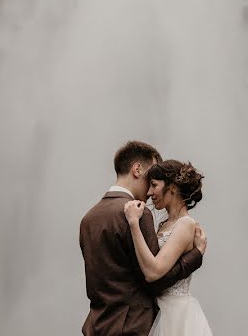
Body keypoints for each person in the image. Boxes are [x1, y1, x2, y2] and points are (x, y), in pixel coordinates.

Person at [80, 141, 208, 336]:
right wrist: (195, 257)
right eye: (151, 179)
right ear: (137, 169)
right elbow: (154, 281)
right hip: (132, 325)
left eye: (154, 184)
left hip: (98, 326)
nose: (149, 191)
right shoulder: (138, 214)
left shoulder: (88, 218)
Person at [124, 160, 213, 335]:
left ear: (172, 187)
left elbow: (154, 271)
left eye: (154, 185)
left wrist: (133, 223)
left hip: (175, 313)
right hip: (159, 308)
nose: (149, 192)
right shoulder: (165, 224)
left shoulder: (186, 224)